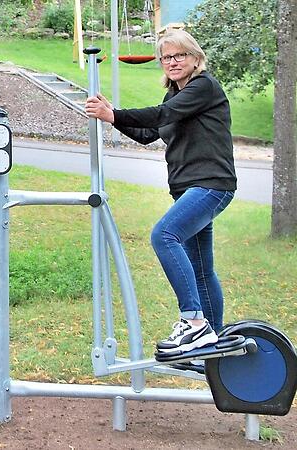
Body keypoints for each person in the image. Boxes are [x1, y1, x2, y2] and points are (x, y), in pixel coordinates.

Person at [85, 30, 236, 355]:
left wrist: (114, 114)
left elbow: (161, 115)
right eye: (166, 57)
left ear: (196, 58)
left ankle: (194, 322)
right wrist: (113, 119)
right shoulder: (175, 96)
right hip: (189, 189)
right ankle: (211, 343)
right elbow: (148, 133)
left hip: (210, 184)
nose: (172, 62)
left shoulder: (203, 87)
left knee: (164, 235)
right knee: (201, 269)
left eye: (179, 55)